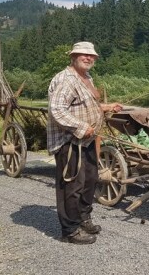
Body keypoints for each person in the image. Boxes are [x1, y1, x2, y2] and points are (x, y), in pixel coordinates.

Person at [47, 41, 122, 244]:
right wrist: (81, 127)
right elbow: (57, 110)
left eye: (92, 56)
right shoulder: (67, 80)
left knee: (90, 180)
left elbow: (87, 105)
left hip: (86, 141)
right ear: (73, 57)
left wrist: (106, 107)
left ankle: (83, 218)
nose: (88, 58)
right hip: (69, 141)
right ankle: (70, 231)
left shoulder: (86, 77)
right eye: (83, 55)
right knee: (72, 185)